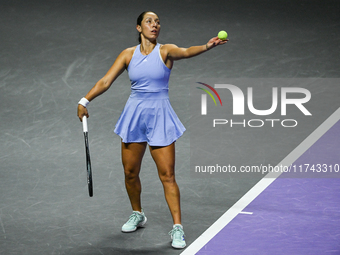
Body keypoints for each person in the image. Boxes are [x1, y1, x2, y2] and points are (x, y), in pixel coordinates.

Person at [77, 11, 228, 249]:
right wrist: (85, 101)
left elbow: (186, 51)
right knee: (130, 173)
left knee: (167, 176)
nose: (154, 25)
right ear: (139, 28)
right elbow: (106, 81)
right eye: (149, 21)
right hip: (134, 117)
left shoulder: (166, 51)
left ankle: (177, 228)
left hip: (160, 117)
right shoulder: (128, 54)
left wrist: (207, 46)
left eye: (157, 22)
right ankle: (137, 213)